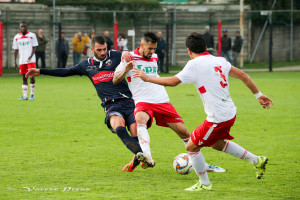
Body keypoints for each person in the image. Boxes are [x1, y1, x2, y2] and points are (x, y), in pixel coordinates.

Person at [133, 32, 273, 191]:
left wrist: (147, 78)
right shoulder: (220, 60)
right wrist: (259, 95)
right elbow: (243, 76)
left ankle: (204, 183)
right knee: (216, 144)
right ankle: (256, 160)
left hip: (218, 117)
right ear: (205, 47)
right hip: (230, 112)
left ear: (189, 50)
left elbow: (172, 82)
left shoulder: (194, 64)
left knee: (191, 147)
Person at [26, 35, 143, 172]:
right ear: (92, 49)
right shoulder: (86, 65)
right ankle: (143, 155)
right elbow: (66, 72)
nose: (103, 52)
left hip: (129, 102)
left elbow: (138, 54)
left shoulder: (116, 55)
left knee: (136, 133)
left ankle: (140, 157)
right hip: (111, 105)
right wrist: (41, 71)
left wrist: (127, 52)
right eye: (99, 50)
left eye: (105, 49)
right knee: (119, 128)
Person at [113, 32, 226, 173]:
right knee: (140, 119)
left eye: (154, 48)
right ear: (141, 45)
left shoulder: (154, 57)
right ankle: (147, 156)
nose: (152, 52)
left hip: (162, 99)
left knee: (184, 133)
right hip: (143, 100)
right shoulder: (128, 58)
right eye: (150, 48)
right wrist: (125, 69)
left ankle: (204, 166)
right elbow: (115, 79)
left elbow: (154, 75)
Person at [13, 21, 38, 101]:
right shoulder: (16, 37)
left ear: (26, 27)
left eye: (24, 26)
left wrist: (30, 56)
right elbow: (16, 50)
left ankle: (32, 95)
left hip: (31, 60)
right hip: (22, 61)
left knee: (32, 76)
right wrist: (15, 62)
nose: (23, 28)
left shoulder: (32, 35)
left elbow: (34, 47)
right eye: (21, 27)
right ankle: (24, 96)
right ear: (20, 27)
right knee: (24, 78)